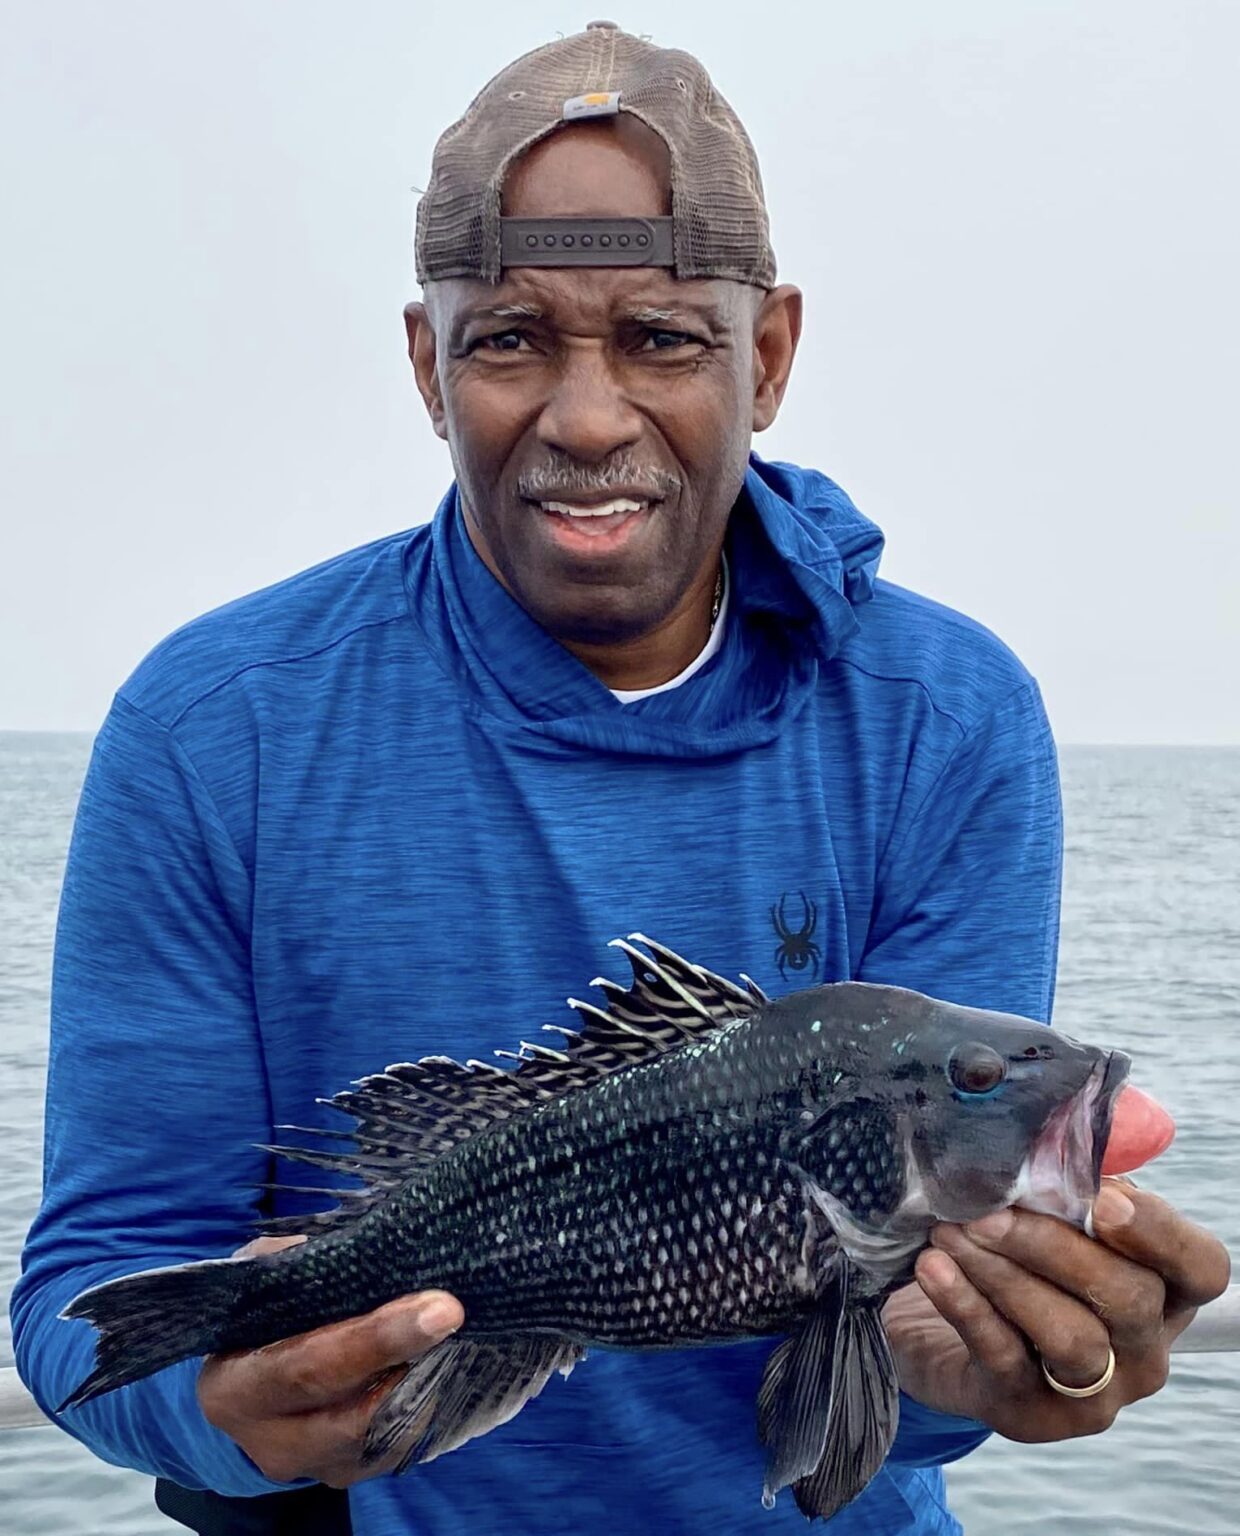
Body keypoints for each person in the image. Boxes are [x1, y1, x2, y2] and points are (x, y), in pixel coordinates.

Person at [12, 21, 1229, 1536]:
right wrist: (218, 1419)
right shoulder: (214, 722)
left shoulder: (947, 714)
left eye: (664, 336)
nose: (589, 419)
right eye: (511, 337)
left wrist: (981, 1369)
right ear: (425, 361)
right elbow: (88, 1313)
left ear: (768, 354)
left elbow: (894, 1387)